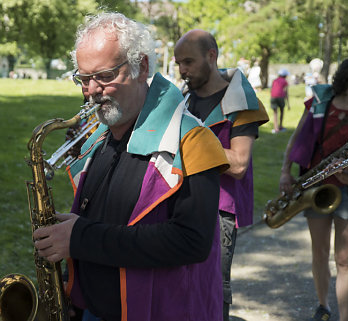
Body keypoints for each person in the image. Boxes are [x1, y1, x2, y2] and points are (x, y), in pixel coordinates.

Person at [33, 12, 230, 321]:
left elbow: (192, 242)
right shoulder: (101, 136)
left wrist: (80, 238)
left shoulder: (193, 139)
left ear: (142, 67)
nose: (92, 90)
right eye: (84, 79)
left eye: (105, 76)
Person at [174, 29, 269, 321]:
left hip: (219, 212)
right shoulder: (183, 97)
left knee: (215, 289)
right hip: (178, 201)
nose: (182, 70)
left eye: (188, 61)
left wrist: (189, 144)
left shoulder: (240, 100)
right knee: (178, 286)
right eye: (179, 63)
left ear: (211, 56)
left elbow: (239, 164)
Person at [279, 55, 348, 321]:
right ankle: (323, 307)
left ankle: (345, 317)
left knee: (344, 259)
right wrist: (285, 172)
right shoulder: (321, 103)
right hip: (317, 187)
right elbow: (296, 139)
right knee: (319, 252)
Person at [270, 68, 290, 134]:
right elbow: (286, 92)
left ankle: (276, 128)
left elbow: (272, 89)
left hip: (273, 97)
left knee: (275, 113)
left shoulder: (274, 80)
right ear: (285, 75)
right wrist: (288, 104)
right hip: (281, 97)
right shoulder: (285, 81)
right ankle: (280, 126)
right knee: (281, 111)